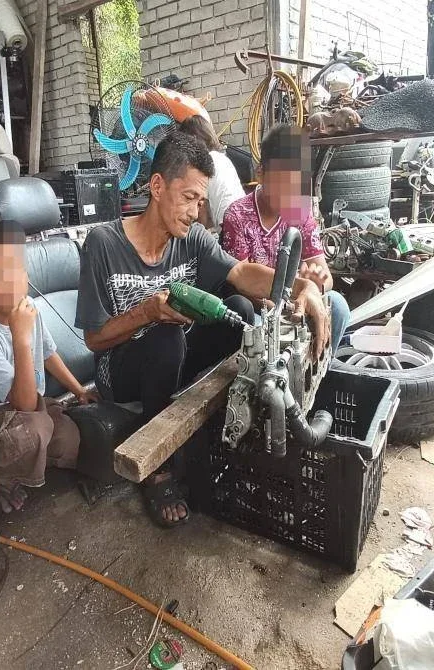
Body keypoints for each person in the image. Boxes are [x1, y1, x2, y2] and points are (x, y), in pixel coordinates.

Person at [76, 132, 330, 527]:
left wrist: (303, 286)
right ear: (157, 186)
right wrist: (146, 313)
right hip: (121, 370)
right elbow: (94, 339)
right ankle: (158, 472)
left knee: (239, 308)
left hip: (172, 354)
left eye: (200, 200)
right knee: (165, 334)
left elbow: (243, 272)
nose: (196, 212)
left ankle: (220, 428)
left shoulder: (192, 238)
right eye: (188, 197)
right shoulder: (103, 243)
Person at [0, 222, 96, 549]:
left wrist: (78, 390)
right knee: (30, 435)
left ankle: (10, 473)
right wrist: (20, 338)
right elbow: (20, 402)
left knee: (70, 441)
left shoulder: (30, 312)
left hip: (29, 409)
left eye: (15, 268)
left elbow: (48, 354)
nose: (11, 281)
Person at [222, 124, 350, 351]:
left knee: (338, 306)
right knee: (259, 329)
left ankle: (319, 376)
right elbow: (239, 284)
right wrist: (293, 301)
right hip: (260, 308)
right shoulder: (238, 215)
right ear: (261, 172)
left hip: (296, 300)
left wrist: (317, 283)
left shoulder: (300, 212)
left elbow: (326, 277)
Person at [177, 115, 244, 231]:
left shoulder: (204, 164)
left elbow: (202, 216)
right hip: (245, 222)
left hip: (230, 230)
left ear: (192, 139)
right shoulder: (223, 159)